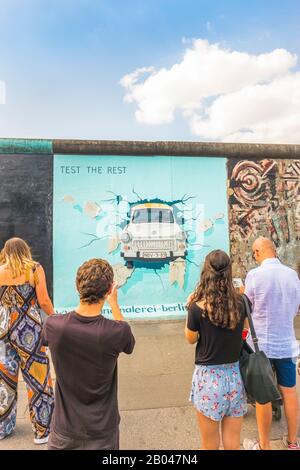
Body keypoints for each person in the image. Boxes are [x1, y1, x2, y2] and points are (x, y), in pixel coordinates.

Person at [43, 258, 135, 450]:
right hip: (103, 433)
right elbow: (128, 343)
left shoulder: (54, 325)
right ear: (110, 290)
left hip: (64, 431)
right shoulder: (116, 332)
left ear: (78, 287)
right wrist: (115, 304)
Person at [185, 249, 248, 450]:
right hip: (234, 376)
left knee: (210, 444)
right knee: (232, 443)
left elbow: (190, 339)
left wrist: (189, 308)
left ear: (207, 272)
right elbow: (244, 330)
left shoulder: (197, 307)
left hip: (209, 381)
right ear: (229, 272)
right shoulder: (241, 302)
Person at [243, 237, 300, 451]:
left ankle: (264, 445)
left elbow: (247, 308)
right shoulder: (292, 275)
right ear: (274, 251)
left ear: (258, 252)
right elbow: (295, 308)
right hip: (286, 343)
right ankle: (293, 442)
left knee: (263, 396)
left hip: (262, 348)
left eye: (253, 253)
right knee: (290, 392)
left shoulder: (254, 276)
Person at [0, 237, 54, 443]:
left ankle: (2, 429)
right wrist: (55, 317)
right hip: (28, 328)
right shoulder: (34, 269)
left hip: (3, 326)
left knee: (4, 378)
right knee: (38, 377)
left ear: (5, 251)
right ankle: (42, 431)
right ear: (25, 251)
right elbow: (44, 301)